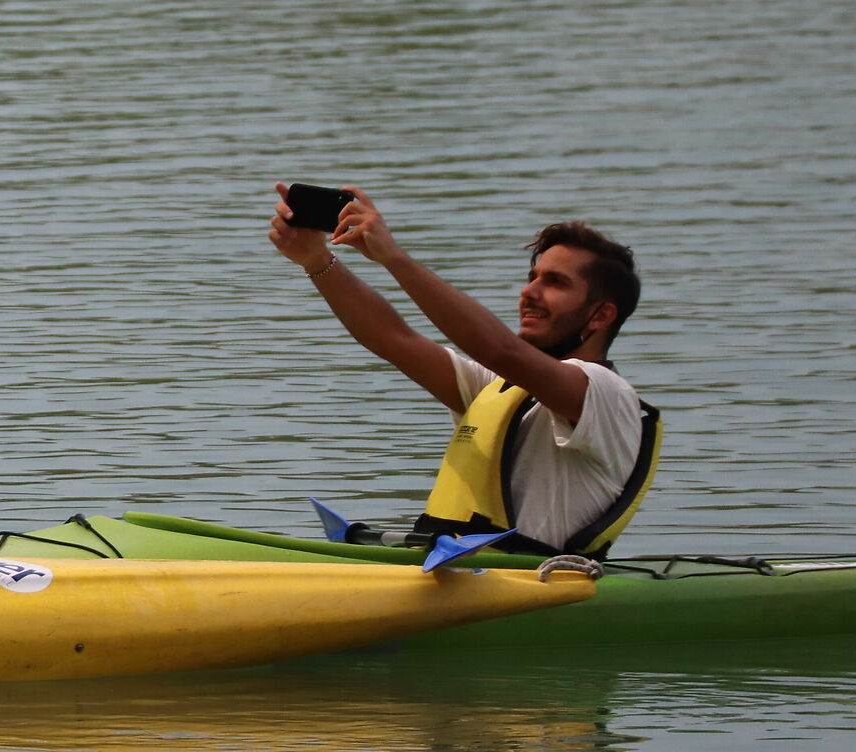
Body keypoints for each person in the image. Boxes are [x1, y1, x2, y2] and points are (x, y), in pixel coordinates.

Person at [268, 185, 661, 557]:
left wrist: (394, 257)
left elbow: (499, 349)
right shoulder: (498, 388)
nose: (529, 291)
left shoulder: (608, 396)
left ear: (601, 315)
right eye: (532, 277)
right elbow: (394, 339)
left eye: (555, 282)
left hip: (530, 582)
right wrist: (317, 260)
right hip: (454, 571)